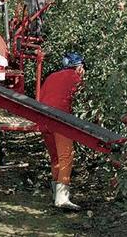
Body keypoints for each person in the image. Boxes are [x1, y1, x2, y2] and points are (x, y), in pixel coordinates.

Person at [39, 52, 85, 210]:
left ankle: (55, 194)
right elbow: (83, 100)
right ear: (78, 67)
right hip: (60, 122)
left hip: (44, 120)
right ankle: (62, 198)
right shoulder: (76, 77)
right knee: (66, 156)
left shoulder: (51, 77)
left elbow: (41, 97)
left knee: (55, 158)